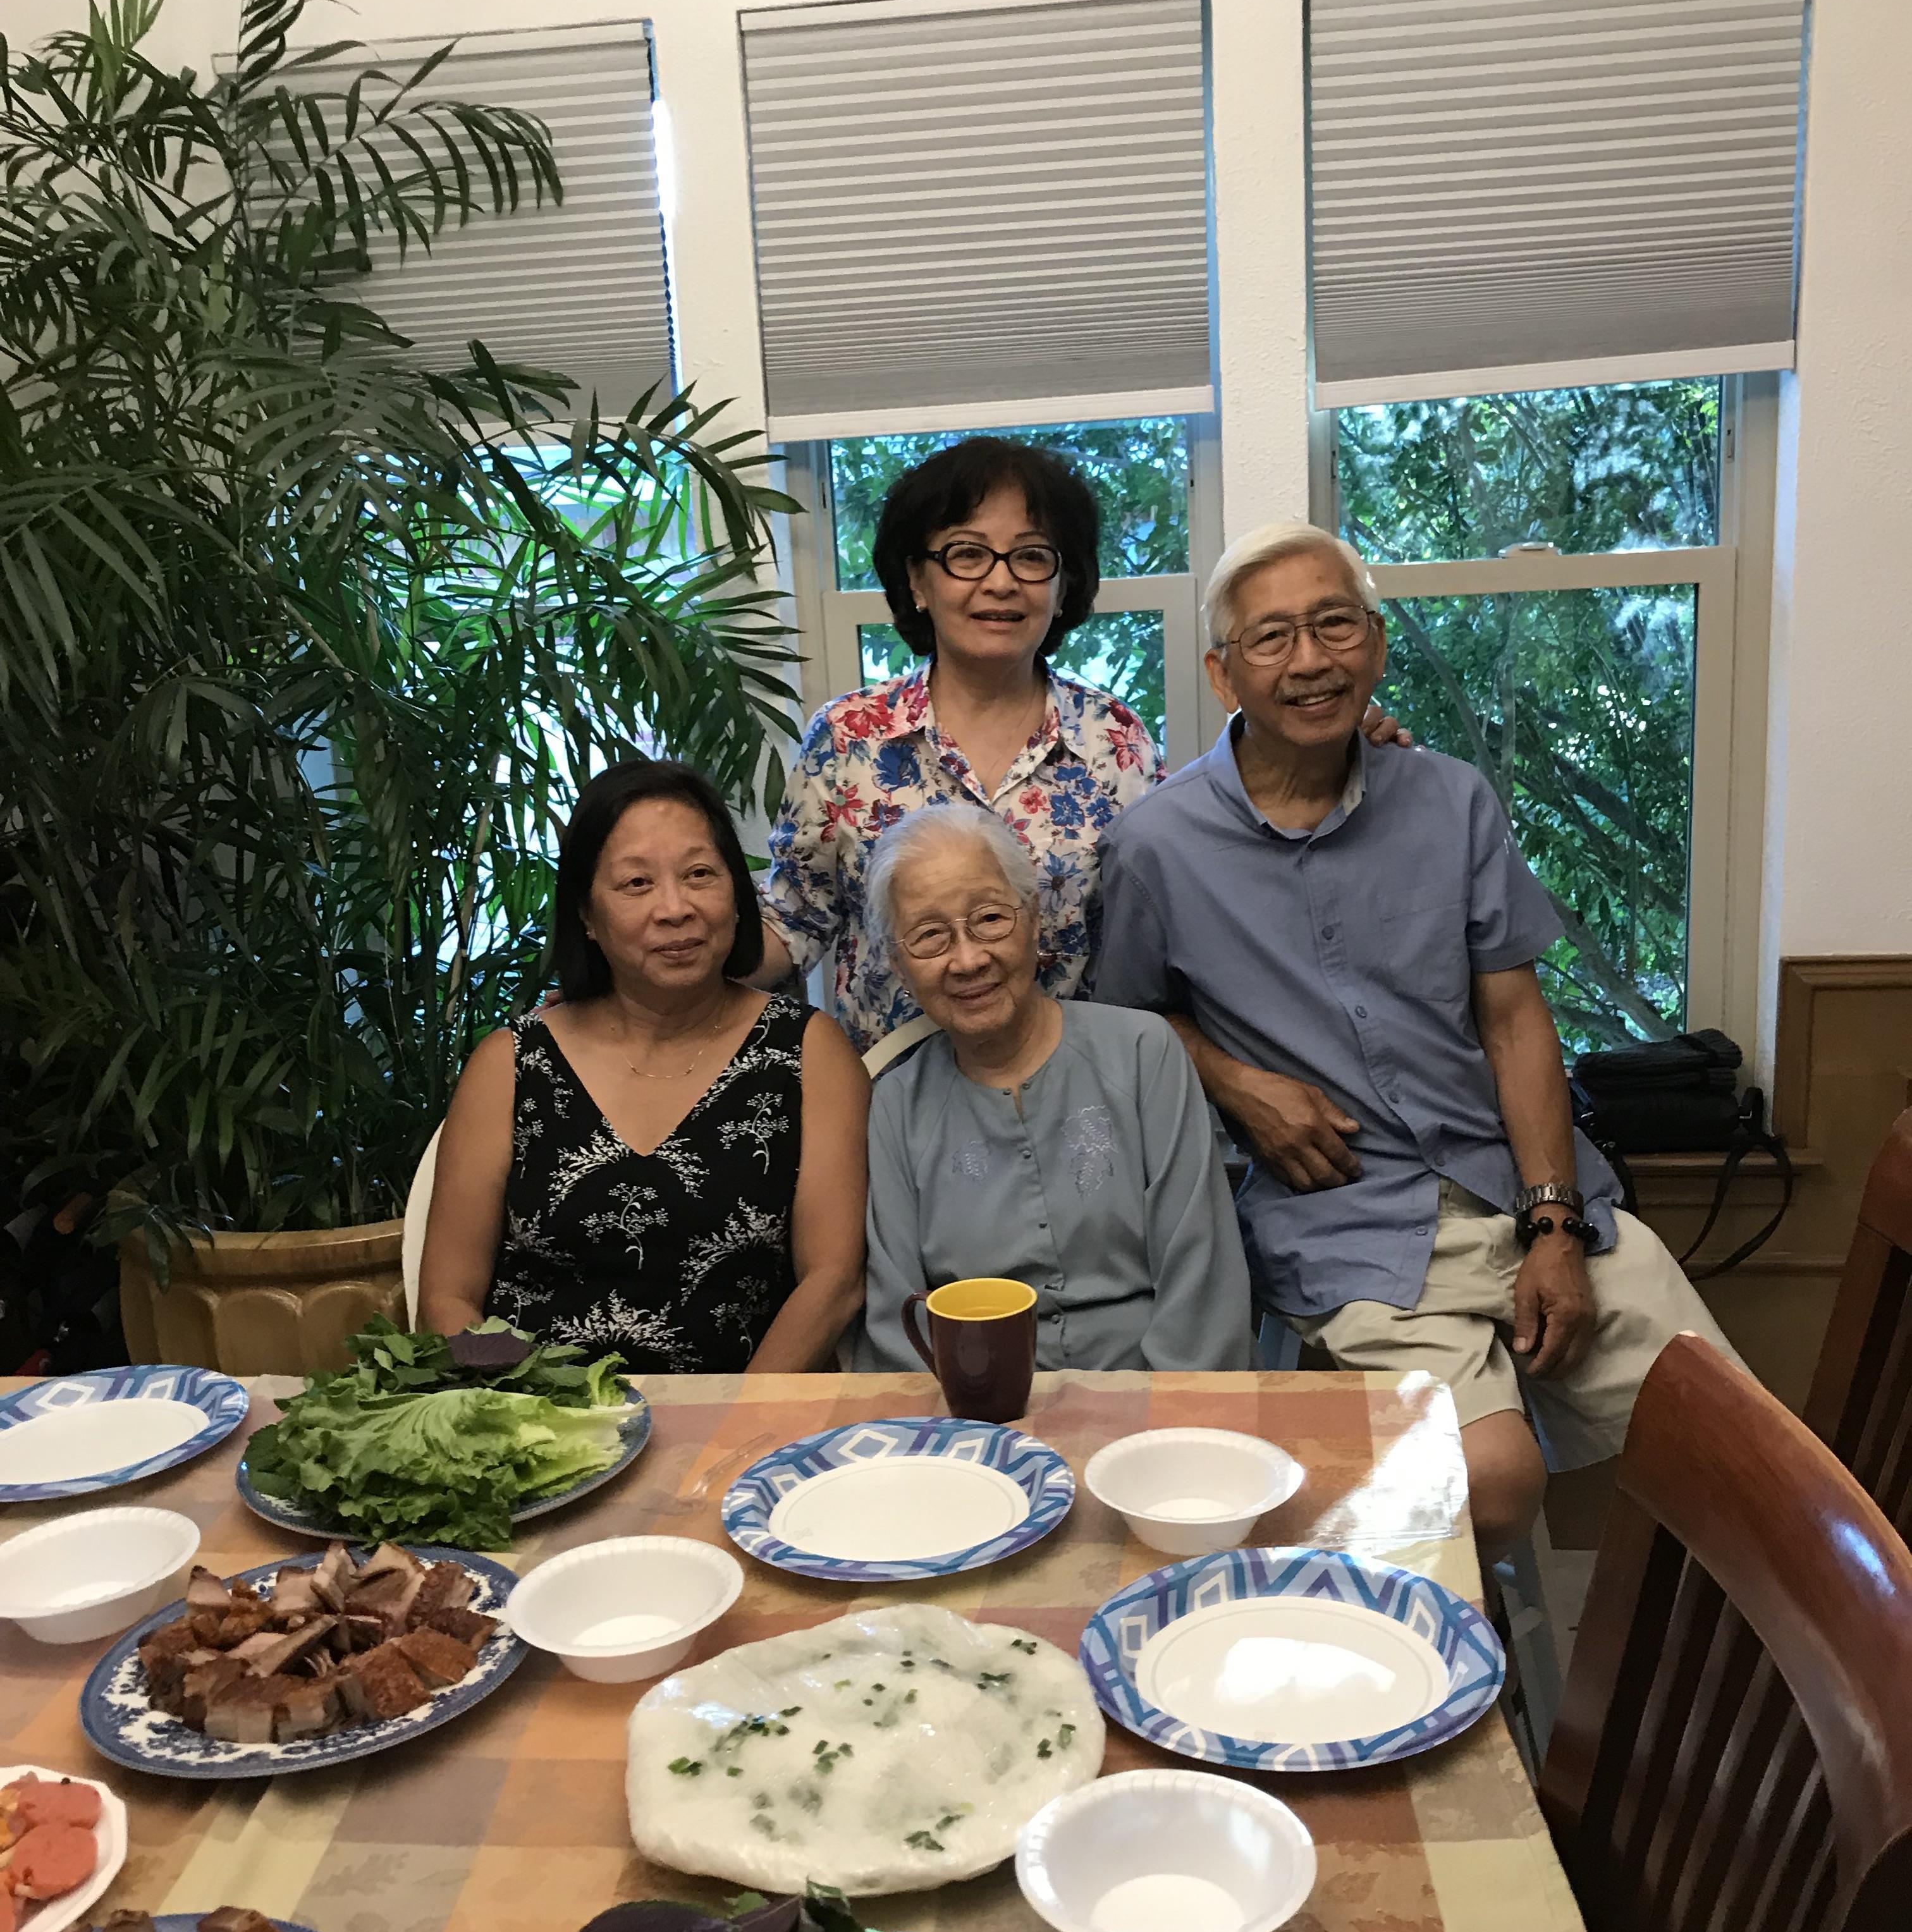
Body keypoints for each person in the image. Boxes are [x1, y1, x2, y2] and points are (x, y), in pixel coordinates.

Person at [1094, 520, 1744, 1557]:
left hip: (1513, 1180)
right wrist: (1235, 1081)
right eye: (1271, 637)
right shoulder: (1156, 846)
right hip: (1343, 1215)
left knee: (1735, 1451)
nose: (1308, 659)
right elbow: (1127, 1020)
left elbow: (1513, 1017)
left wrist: (1552, 1223)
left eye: (1333, 625)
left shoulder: (1450, 800)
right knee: (1492, 1479)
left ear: (1377, 644)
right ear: (1223, 675)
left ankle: (1670, 1658)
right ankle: (1459, 1641)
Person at [756, 434, 1411, 1056]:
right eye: (967, 554)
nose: (1002, 582)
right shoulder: (850, 737)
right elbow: (794, 923)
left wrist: (1329, 749)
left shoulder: (1114, 739)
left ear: (1064, 584)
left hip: (1081, 1099)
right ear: (918, 582)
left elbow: (1187, 905)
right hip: (895, 1105)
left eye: (1032, 556)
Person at [419, 758, 869, 1371]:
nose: (675, 908)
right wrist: (529, 1411)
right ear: (587, 915)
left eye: (700, 874)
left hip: (745, 1408)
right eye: (636, 883)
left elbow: (833, 1281)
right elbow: (446, 1299)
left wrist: (733, 1418)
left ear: (739, 896)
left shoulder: (809, 1052)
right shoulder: (511, 1063)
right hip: (532, 1411)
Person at [856, 804, 1252, 1373]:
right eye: (930, 937)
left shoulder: (1143, 1053)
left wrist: (1163, 1414)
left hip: (1157, 1400)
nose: (967, 960)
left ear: (1035, 919)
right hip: (979, 1409)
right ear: (899, 965)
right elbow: (901, 1326)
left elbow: (1202, 1281)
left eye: (990, 918)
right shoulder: (897, 1107)